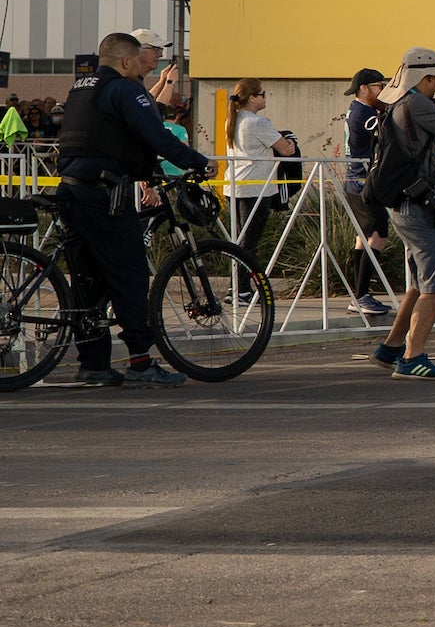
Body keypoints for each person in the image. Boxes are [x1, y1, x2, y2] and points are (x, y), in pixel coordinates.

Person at [54, 32, 215, 386]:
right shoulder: (125, 89)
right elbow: (156, 136)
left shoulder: (82, 86)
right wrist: (197, 161)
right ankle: (141, 364)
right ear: (127, 61)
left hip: (71, 190)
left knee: (90, 280)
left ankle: (93, 364)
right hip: (105, 195)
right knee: (130, 276)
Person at [367, 48, 435, 380]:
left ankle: (392, 347)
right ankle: (412, 357)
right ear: (423, 78)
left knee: (418, 282)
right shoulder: (415, 103)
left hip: (405, 204)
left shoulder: (404, 103)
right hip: (418, 207)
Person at [225, 78, 298, 278]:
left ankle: (237, 286)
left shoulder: (233, 119)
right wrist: (290, 140)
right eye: (263, 94)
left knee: (238, 239)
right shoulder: (258, 122)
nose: (266, 98)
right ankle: (243, 289)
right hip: (256, 187)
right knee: (249, 242)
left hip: (234, 185)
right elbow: (285, 149)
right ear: (252, 97)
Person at [336, 68, 394, 319]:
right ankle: (360, 295)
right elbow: (386, 135)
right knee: (379, 234)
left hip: (358, 181)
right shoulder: (365, 112)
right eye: (378, 86)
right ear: (364, 89)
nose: (382, 91)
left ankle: (358, 294)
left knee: (364, 236)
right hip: (362, 183)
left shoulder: (358, 110)